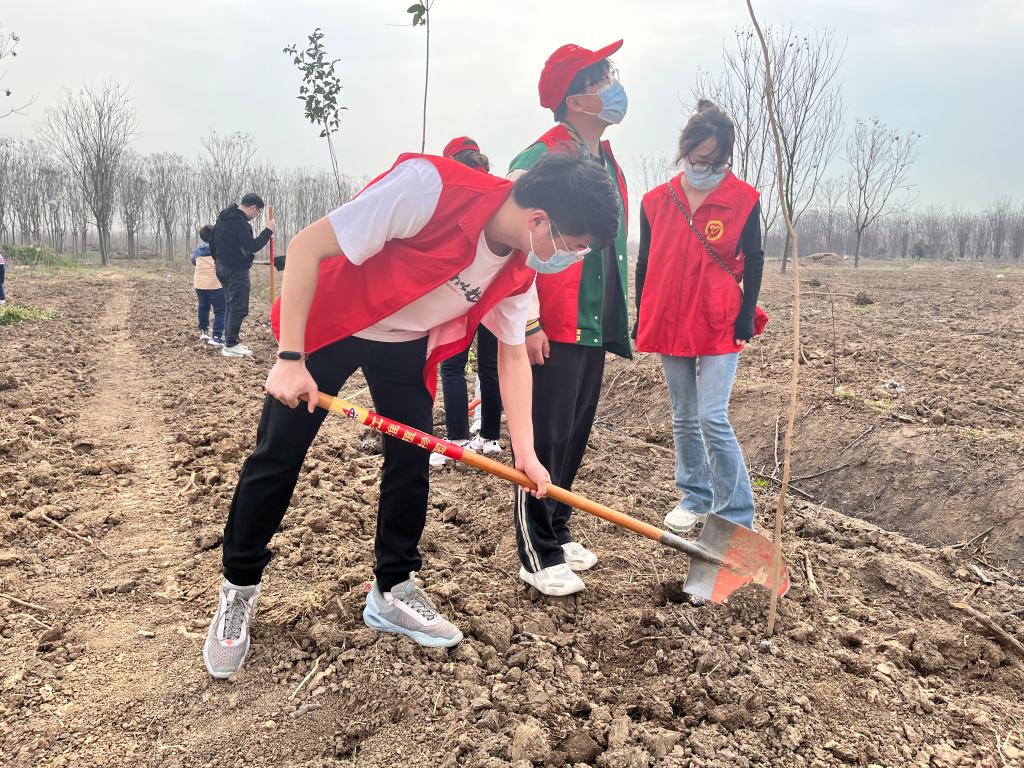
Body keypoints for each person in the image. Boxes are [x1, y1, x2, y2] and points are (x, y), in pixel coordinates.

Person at [203, 151, 619, 679]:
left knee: (412, 460)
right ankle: (239, 588)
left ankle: (392, 589)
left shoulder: (518, 269)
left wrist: (528, 455)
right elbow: (306, 246)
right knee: (278, 456)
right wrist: (290, 358)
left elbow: (513, 356)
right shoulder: (429, 189)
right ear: (539, 220)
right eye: (573, 246)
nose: (570, 258)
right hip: (333, 323)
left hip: (404, 344)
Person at [505, 40, 631, 597]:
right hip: (552, 320)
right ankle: (537, 551)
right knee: (545, 435)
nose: (615, 88)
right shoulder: (541, 157)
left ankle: (557, 525)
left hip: (592, 319)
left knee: (575, 432)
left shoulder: (607, 160)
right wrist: (529, 320)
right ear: (576, 99)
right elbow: (513, 243)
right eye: (604, 79)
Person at [634, 99, 766, 536]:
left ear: (726, 157)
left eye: (714, 161)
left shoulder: (743, 199)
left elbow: (755, 258)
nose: (704, 168)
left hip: (717, 317)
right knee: (684, 414)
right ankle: (694, 495)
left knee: (712, 415)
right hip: (668, 315)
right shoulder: (657, 201)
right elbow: (645, 263)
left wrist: (746, 314)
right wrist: (641, 314)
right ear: (684, 150)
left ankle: (735, 513)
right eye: (697, 158)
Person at [433, 136, 503, 466]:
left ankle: (458, 438)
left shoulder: (456, 193)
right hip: (496, 294)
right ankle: (490, 438)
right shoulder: (499, 191)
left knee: (452, 366)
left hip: (462, 292)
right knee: (490, 367)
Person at [210, 193, 275, 358]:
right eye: (258, 212)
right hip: (236, 270)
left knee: (230, 306)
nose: (257, 215)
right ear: (253, 207)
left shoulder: (223, 218)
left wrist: (217, 260)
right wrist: (268, 231)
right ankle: (231, 344)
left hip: (221, 267)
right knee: (238, 307)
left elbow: (212, 241)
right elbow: (252, 246)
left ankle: (230, 341)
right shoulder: (241, 224)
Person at [192, 225, 226, 347]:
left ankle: (203, 331)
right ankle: (216, 337)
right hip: (215, 284)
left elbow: (193, 261)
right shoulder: (220, 248)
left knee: (203, 307)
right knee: (220, 310)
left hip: (200, 284)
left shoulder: (198, 250)